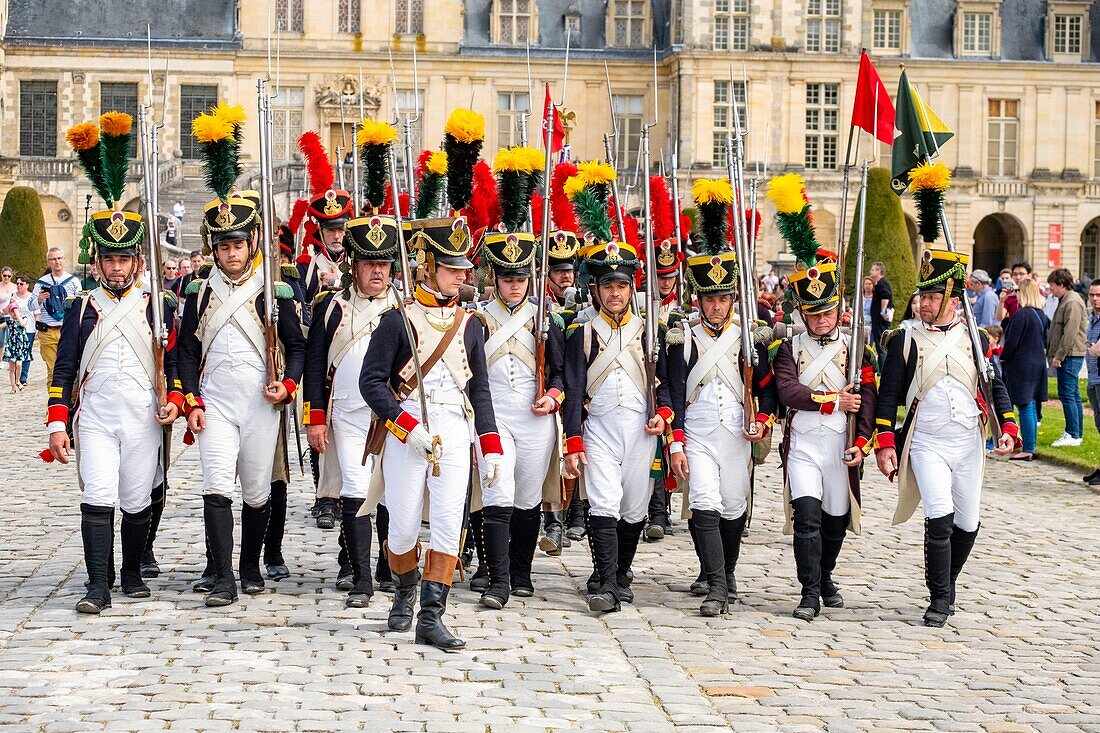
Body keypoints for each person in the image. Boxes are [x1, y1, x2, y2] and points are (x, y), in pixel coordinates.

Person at [46, 111, 184, 614]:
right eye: (110, 259)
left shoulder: (159, 305)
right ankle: (97, 584)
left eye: (125, 259)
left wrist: (174, 399)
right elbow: (64, 372)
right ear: (98, 260)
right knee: (98, 495)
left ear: (137, 261)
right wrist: (58, 424)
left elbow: (176, 363)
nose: (117, 266)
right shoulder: (81, 307)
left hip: (143, 416)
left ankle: (130, 574)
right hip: (99, 416)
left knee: (135, 497)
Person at [359, 214, 502, 651]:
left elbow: (479, 388)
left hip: (455, 431)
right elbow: (371, 382)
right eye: (452, 268)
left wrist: (490, 446)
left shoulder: (471, 323)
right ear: (428, 268)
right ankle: (403, 589)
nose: (463, 274)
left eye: (464, 268)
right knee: (401, 529)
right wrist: (404, 427)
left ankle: (431, 614)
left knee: (446, 524)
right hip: (409, 433)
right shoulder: (396, 321)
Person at [178, 177, 307, 606]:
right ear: (214, 248)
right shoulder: (198, 292)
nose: (231, 254)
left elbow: (297, 346)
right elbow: (186, 351)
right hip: (214, 401)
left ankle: (250, 563)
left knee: (256, 490)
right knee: (216, 485)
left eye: (238, 245)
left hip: (260, 403)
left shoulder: (275, 290)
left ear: (251, 244)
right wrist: (192, 400)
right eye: (224, 246)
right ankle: (222, 577)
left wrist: (287, 386)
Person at [875, 248, 1018, 628]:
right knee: (940, 516)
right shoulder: (905, 340)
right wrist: (885, 441)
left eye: (933, 297)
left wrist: (1007, 425)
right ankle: (939, 598)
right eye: (922, 297)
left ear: (954, 300)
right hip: (927, 440)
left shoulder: (975, 338)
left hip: (968, 441)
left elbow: (993, 385)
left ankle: (946, 582)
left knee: (968, 522)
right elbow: (889, 395)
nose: (923, 303)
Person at [765, 174, 877, 622]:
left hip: (841, 443)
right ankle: (809, 591)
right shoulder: (787, 346)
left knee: (835, 521)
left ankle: (825, 574)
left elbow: (867, 396)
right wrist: (833, 400)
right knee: (807, 516)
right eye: (813, 313)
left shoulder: (857, 345)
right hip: (805, 441)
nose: (821, 319)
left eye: (827, 311)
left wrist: (864, 438)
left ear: (838, 308)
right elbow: (788, 391)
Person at [664, 179, 777, 616]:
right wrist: (675, 438)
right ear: (699, 299)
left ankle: (725, 573)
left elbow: (766, 391)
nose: (715, 307)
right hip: (697, 432)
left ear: (733, 299)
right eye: (709, 299)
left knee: (733, 505)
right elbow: (673, 390)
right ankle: (715, 586)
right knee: (703, 502)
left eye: (723, 299)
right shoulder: (682, 337)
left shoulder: (750, 338)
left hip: (736, 433)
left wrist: (764, 420)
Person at [563, 227, 671, 613]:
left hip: (641, 432)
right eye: (607, 285)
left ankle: (620, 573)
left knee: (635, 509)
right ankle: (606, 583)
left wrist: (663, 414)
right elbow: (574, 389)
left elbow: (668, 385)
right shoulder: (582, 332)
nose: (615, 293)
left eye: (621, 286)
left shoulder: (650, 332)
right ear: (595, 289)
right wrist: (572, 439)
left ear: (631, 289)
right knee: (604, 504)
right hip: (600, 430)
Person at [304, 212, 400, 608]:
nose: (376, 271)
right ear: (354, 265)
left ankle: (387, 565)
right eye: (368, 264)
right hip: (346, 410)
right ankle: (360, 577)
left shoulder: (405, 307)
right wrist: (315, 418)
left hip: (393, 413)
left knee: (392, 492)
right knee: (356, 490)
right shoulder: (333, 307)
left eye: (383, 264)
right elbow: (314, 364)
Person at [471, 224, 565, 609]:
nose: (515, 286)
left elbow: (561, 373)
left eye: (521, 278)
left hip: (534, 419)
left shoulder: (547, 319)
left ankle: (522, 572)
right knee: (497, 494)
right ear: (494, 277)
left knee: (527, 500)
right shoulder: (475, 319)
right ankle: (498, 580)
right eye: (508, 278)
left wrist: (554, 397)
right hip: (493, 417)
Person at [538, 230, 586, 557]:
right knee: (550, 457)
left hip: (578, 387)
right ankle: (553, 521)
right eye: (558, 270)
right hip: (551, 387)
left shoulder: (585, 304)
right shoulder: (540, 308)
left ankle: (576, 513)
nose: (565, 275)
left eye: (568, 269)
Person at [645, 234, 685, 541]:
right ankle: (656, 511)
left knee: (672, 446)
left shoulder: (687, 310)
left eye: (670, 276)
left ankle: (663, 508)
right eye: (660, 276)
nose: (666, 282)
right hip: (649, 379)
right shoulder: (642, 307)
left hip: (678, 383)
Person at [1000, 279, 1049, 461]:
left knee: (1025, 405)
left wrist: (1003, 356)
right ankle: (1030, 444)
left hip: (1022, 365)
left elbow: (1012, 341)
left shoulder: (1022, 315)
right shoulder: (1041, 314)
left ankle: (1028, 447)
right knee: (1031, 405)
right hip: (1037, 363)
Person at [1046, 267, 1086, 447]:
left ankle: (1072, 433)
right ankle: (1075, 433)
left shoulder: (1072, 302)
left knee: (1068, 394)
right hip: (1069, 354)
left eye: (1052, 285)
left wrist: (1059, 356)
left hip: (1070, 355)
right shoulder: (1066, 300)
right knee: (1072, 394)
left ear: (1061, 284)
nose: (1050, 290)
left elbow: (1069, 333)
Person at [32, 248, 81, 389]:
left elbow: (79, 305)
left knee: (70, 369)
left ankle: (69, 403)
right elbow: (30, 305)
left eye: (59, 258)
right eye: (53, 259)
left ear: (64, 259)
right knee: (53, 371)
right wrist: (39, 300)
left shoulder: (73, 281)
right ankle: (54, 406)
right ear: (48, 262)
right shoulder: (41, 283)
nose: (57, 261)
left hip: (67, 331)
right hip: (47, 332)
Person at [3, 276, 38, 392]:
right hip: (15, 330)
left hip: (29, 328)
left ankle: (23, 377)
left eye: (21, 284)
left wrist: (38, 326)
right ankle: (17, 380)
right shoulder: (13, 296)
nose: (18, 286)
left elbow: (36, 312)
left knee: (26, 353)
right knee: (16, 357)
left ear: (27, 285)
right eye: (17, 283)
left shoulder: (32, 297)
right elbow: (6, 311)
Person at [1084, 280, 1100, 484]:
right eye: (1092, 295)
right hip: (1093, 376)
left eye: (1099, 295)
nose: (1095, 299)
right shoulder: (1092, 317)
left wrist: (1092, 348)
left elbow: (1096, 349)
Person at [869, 261, 893, 349]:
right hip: (879, 320)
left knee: (881, 346)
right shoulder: (882, 283)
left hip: (880, 321)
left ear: (878, 271)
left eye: (872, 270)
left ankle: (883, 363)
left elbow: (886, 296)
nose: (870, 272)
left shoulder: (881, 284)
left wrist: (883, 311)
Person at [0, 267, 17, 358]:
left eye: (9, 276)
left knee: (12, 338)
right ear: (1, 275)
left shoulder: (15, 287)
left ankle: (11, 360)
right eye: (5, 275)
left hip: (12, 315)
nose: (6, 278)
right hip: (1, 315)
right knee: (0, 340)